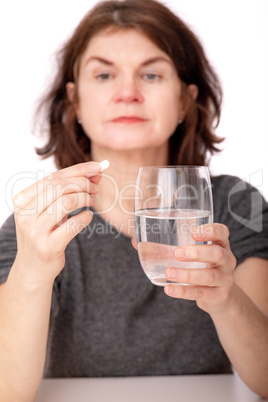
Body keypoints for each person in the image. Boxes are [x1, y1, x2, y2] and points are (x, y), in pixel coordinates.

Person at [0, 0, 268, 400]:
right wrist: (32, 272)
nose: (128, 93)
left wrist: (225, 297)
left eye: (152, 74)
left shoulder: (233, 204)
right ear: (74, 101)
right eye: (105, 74)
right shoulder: (41, 224)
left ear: (184, 100)